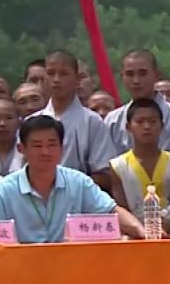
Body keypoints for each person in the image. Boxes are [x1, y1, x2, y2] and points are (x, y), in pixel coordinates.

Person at [0, 115, 144, 243]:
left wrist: (141, 231)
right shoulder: (3, 191)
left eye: (52, 145)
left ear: (61, 148)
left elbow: (111, 211)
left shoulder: (78, 182)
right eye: (37, 146)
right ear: (22, 149)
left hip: (71, 268)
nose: (45, 152)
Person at [108, 99, 170, 237]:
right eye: (139, 122)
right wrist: (141, 230)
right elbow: (120, 208)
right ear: (128, 127)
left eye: (152, 121)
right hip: (134, 237)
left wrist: (167, 226)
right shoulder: (118, 166)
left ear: (162, 126)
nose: (146, 126)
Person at [38, 50, 117, 186]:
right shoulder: (33, 122)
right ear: (44, 79)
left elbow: (104, 174)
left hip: (81, 199)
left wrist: (69, 187)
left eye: (63, 74)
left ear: (76, 79)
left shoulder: (92, 121)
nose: (56, 80)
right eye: (51, 73)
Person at [104, 50, 170, 159]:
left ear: (156, 75)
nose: (136, 81)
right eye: (130, 74)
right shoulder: (113, 120)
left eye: (143, 73)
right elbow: (108, 164)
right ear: (122, 77)